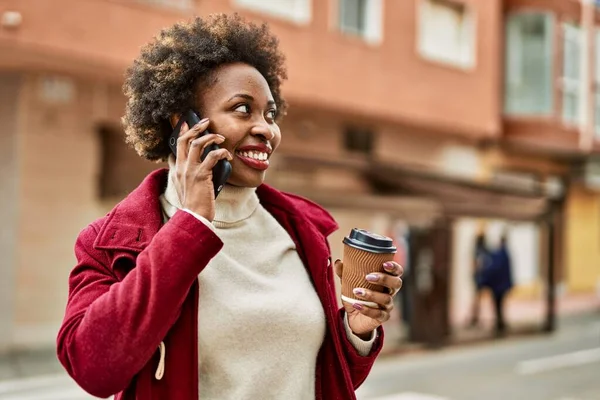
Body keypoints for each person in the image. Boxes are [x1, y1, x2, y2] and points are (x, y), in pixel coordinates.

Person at [56, 14, 403, 400]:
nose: (266, 129)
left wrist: (356, 331)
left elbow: (318, 378)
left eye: (270, 114)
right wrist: (191, 224)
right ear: (184, 123)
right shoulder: (112, 241)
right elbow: (93, 368)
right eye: (242, 109)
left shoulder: (301, 232)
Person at [488, 234, 514, 335]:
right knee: (499, 305)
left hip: (498, 286)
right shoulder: (505, 253)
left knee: (498, 305)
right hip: (501, 285)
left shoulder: (500, 254)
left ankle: (499, 323)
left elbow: (496, 269)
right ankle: (500, 323)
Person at [469, 233, 490, 327]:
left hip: (480, 277)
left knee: (478, 299)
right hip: (480, 278)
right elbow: (477, 264)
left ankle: (475, 317)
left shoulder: (480, 251)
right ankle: (475, 317)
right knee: (478, 299)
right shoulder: (480, 251)